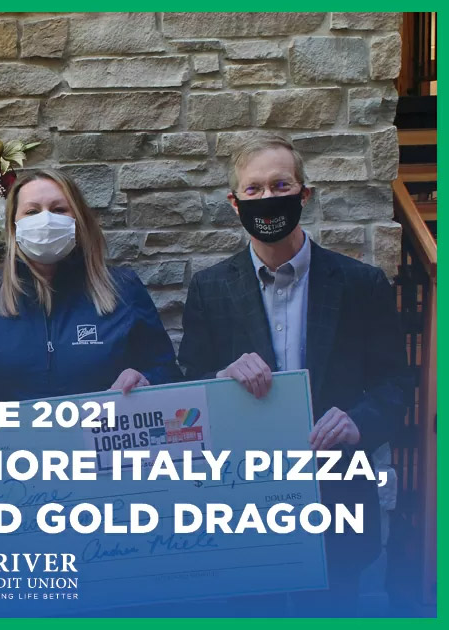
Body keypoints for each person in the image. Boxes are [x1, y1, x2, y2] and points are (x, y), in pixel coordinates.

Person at [178, 134, 412, 615]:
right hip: (245, 500)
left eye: (280, 184)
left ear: (304, 194)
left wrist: (358, 421)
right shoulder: (209, 288)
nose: (268, 198)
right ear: (234, 202)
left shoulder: (360, 284)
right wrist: (221, 376)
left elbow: (395, 383)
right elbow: (191, 382)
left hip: (338, 493)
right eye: (255, 189)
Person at [0, 168, 181, 405]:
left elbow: (168, 371)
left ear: (79, 221)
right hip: (10, 443)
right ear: (13, 226)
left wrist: (147, 380)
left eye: (59, 209)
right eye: (31, 212)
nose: (46, 220)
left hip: (100, 441)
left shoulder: (123, 289)